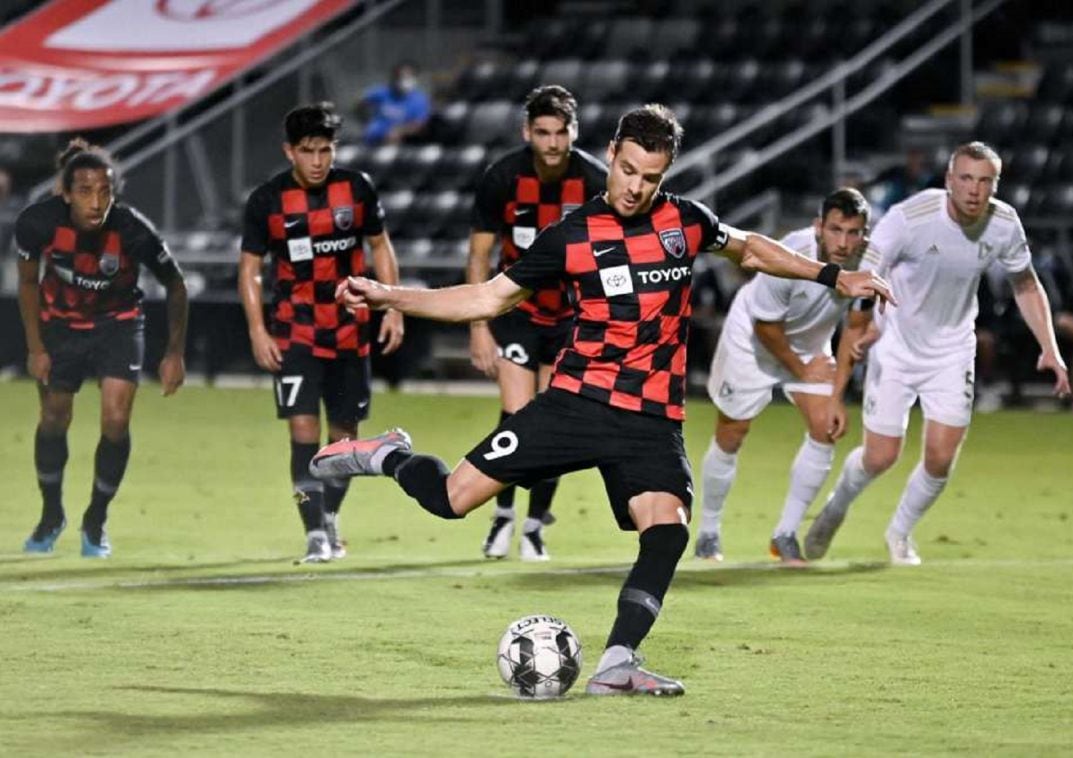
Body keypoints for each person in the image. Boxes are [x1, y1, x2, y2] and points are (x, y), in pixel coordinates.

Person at [309, 105, 894, 695]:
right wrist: (388, 295)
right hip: (576, 403)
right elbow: (485, 299)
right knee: (449, 500)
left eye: (652, 177)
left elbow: (750, 249)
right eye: (630, 170)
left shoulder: (685, 222)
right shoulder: (572, 236)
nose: (637, 187)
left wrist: (831, 276)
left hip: (650, 418)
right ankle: (385, 455)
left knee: (667, 529)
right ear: (612, 154)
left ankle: (617, 662)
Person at [804, 141, 1071, 566]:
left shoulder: (1004, 224)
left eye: (985, 181)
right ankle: (836, 507)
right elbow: (865, 275)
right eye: (965, 178)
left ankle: (900, 533)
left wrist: (1050, 349)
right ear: (949, 180)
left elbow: (1025, 283)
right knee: (881, 456)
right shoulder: (910, 219)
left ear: (994, 186)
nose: (974, 190)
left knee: (941, 458)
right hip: (897, 346)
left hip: (953, 350)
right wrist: (867, 328)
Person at [238, 102, 404, 564]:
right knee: (303, 431)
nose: (317, 161)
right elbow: (250, 269)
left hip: (351, 332)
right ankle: (313, 530)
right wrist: (257, 329)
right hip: (295, 333)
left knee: (344, 438)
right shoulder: (267, 200)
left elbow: (380, 247)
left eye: (326, 150)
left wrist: (392, 308)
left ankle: (329, 516)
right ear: (289, 150)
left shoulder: (356, 189)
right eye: (308, 151)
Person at [16, 139, 188, 558]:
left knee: (115, 418)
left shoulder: (132, 229)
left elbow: (176, 284)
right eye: (86, 191)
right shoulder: (38, 222)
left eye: (105, 191)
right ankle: (52, 514)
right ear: (66, 192)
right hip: (59, 327)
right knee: (55, 418)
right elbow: (25, 283)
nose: (97, 202)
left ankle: (96, 519)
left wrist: (174, 352)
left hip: (118, 326)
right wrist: (35, 347)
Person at [694, 188, 872, 565]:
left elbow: (855, 328)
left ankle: (785, 534)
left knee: (826, 427)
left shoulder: (870, 264)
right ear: (818, 226)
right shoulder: (792, 254)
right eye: (836, 230)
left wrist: (837, 395)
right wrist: (802, 368)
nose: (843, 242)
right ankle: (708, 533)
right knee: (731, 433)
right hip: (753, 338)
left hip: (809, 344)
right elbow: (766, 328)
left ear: (864, 235)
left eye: (853, 232)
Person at [467, 85, 607, 561]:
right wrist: (478, 324)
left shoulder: (593, 180)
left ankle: (532, 527)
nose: (551, 142)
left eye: (560, 132)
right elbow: (480, 254)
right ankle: (502, 516)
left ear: (573, 132)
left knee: (555, 416)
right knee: (518, 412)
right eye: (542, 132)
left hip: (571, 318)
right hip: (516, 312)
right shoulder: (502, 176)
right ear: (527, 132)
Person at [360, 62, 431, 147]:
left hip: (397, 143)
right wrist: (366, 121)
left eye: (408, 77)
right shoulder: (382, 92)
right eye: (401, 77)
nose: (405, 80)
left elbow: (420, 124)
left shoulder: (419, 100)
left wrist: (400, 131)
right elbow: (360, 103)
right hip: (371, 140)